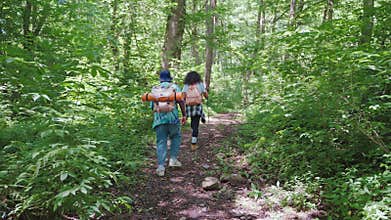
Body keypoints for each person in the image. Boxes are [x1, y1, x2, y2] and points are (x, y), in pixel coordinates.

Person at [151, 70, 187, 176]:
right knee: (175, 137)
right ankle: (173, 160)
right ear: (170, 78)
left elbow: (152, 106)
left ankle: (161, 167)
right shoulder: (175, 87)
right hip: (173, 119)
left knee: (161, 141)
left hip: (159, 120)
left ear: (160, 78)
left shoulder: (155, 89)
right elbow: (181, 101)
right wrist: (184, 115)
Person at [182, 71, 208, 150]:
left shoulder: (186, 85)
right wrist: (206, 97)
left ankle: (194, 134)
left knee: (193, 125)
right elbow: (205, 94)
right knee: (196, 124)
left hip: (189, 106)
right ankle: (193, 143)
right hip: (197, 106)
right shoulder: (200, 84)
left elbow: (183, 96)